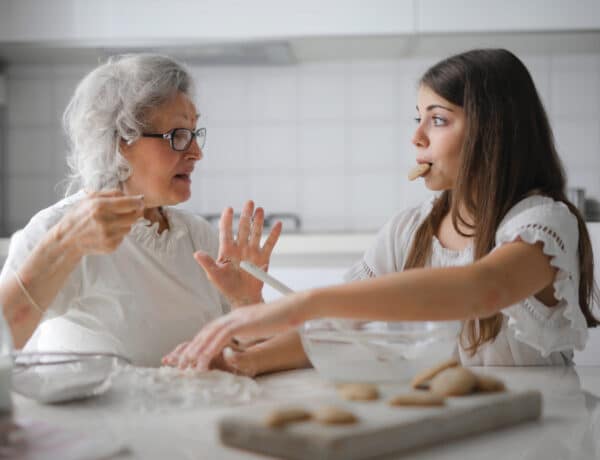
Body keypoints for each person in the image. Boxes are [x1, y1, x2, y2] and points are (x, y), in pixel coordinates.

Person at [164, 48, 599, 371]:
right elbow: (337, 328)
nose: (417, 139)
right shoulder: (408, 230)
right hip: (448, 429)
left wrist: (307, 303)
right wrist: (245, 359)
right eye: (418, 119)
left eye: (439, 119)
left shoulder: (544, 223)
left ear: (494, 131)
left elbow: (482, 289)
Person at [0, 54, 282, 367]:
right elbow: (4, 339)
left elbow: (249, 355)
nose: (197, 153)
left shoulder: (198, 236)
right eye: (178, 135)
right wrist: (64, 246)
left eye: (194, 133)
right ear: (121, 140)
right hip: (92, 416)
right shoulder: (59, 228)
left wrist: (246, 302)